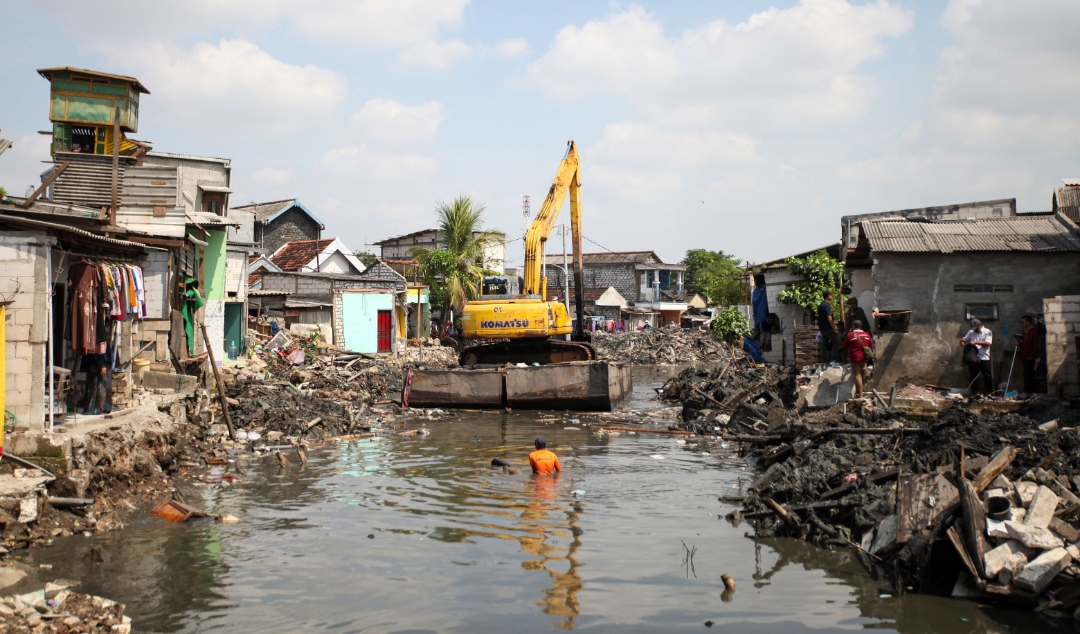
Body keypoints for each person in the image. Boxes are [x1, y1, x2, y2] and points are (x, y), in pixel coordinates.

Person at [842, 320, 874, 398]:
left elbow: (844, 345)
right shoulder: (867, 335)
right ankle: (862, 391)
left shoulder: (850, 335)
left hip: (855, 358)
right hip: (864, 358)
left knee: (857, 375)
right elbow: (871, 346)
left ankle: (859, 394)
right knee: (863, 374)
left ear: (853, 326)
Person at [960, 319, 993, 394]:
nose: (975, 330)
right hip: (973, 358)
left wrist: (975, 342)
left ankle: (990, 393)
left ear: (980, 325)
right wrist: (962, 342)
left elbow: (988, 343)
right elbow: (964, 339)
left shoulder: (987, 332)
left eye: (976, 328)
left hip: (984, 357)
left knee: (987, 376)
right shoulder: (971, 332)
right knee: (973, 376)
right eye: (973, 328)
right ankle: (974, 392)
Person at [1020, 314, 1040, 395]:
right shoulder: (1025, 333)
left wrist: (1035, 357)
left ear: (1028, 322)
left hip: (1031, 357)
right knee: (1025, 374)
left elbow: (1035, 345)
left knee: (1029, 375)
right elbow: (1024, 344)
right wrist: (1019, 344)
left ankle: (1028, 391)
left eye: (1023, 322)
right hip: (1025, 357)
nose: (1022, 324)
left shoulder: (1033, 333)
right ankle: (1028, 391)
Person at [818, 291, 839, 363]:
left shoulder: (821, 305)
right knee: (836, 342)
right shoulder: (826, 305)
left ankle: (823, 360)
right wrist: (834, 328)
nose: (832, 296)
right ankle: (833, 359)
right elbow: (829, 318)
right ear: (828, 296)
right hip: (828, 328)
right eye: (831, 295)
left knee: (824, 344)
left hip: (822, 329)